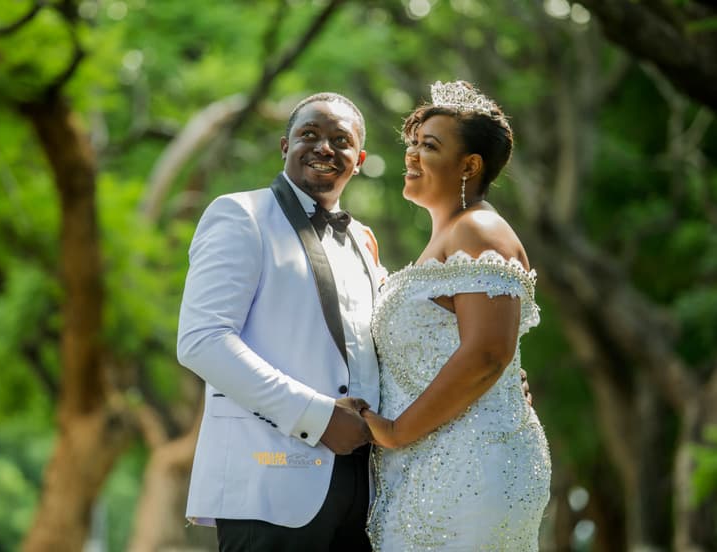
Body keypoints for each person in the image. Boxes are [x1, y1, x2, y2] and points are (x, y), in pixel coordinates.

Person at [177, 92, 382, 551]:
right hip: (268, 481)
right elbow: (202, 341)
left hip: (365, 492)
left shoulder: (363, 240)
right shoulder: (240, 215)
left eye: (340, 140)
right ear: (285, 146)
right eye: (309, 134)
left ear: (360, 160)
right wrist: (317, 417)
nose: (324, 147)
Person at [361, 81, 551, 550]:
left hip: (471, 465)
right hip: (430, 464)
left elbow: (488, 353)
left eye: (429, 146)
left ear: (469, 165)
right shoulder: (449, 237)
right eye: (412, 143)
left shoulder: (479, 228)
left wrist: (395, 432)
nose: (411, 155)